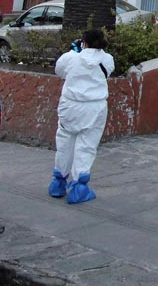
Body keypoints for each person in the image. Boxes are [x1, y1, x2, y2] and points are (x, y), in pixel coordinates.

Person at [48, 28, 115, 204]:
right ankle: (79, 187)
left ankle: (58, 183)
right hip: (95, 108)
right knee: (86, 146)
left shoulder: (71, 58)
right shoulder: (107, 59)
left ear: (83, 42)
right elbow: (107, 73)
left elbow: (59, 71)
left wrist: (73, 52)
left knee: (64, 143)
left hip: (69, 105)